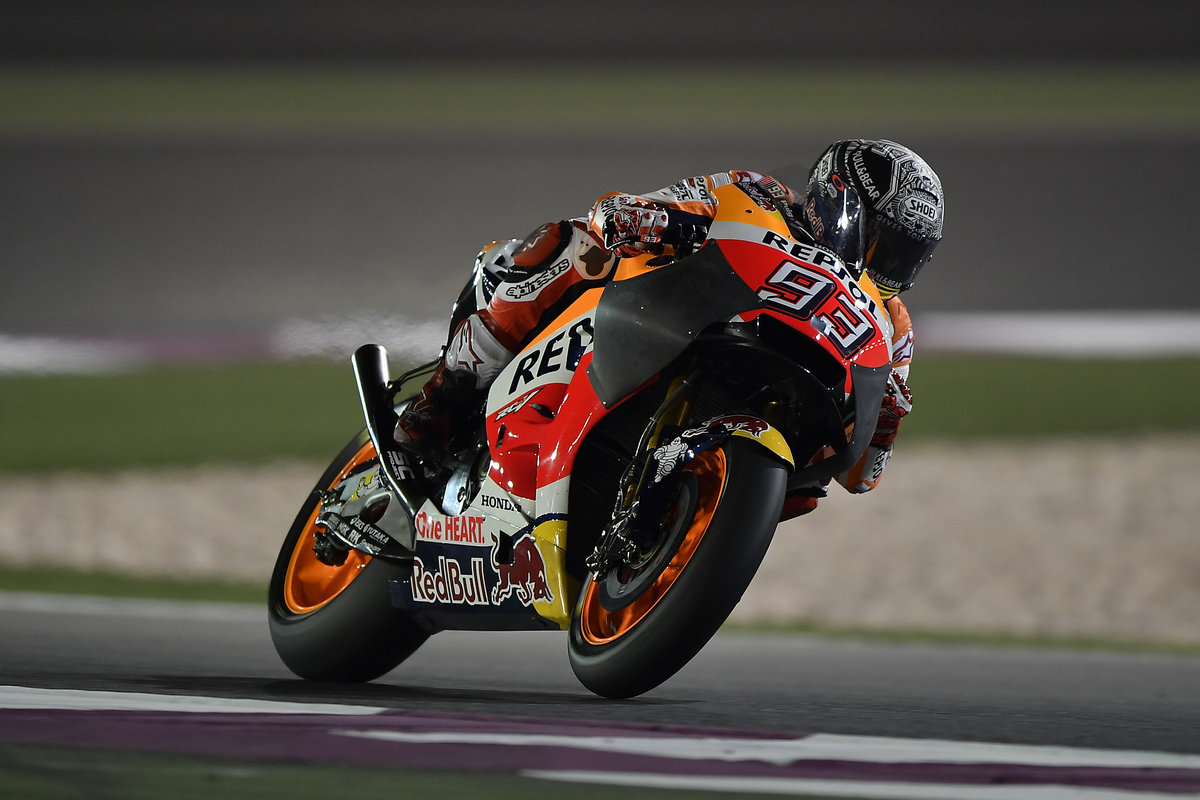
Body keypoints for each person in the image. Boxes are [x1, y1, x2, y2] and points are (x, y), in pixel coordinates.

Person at [395, 139, 944, 496]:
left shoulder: (892, 329)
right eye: (885, 246)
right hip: (666, 317)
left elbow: (860, 478)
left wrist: (886, 422)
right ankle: (444, 398)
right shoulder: (761, 194)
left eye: (906, 257)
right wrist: (650, 217)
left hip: (762, 426)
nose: (888, 269)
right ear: (839, 203)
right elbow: (648, 208)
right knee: (573, 245)